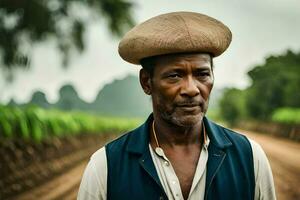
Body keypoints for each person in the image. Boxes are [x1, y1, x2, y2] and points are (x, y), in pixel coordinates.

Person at [77, 11, 276, 200]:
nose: (191, 89)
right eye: (174, 75)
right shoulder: (105, 167)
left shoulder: (250, 158)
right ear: (147, 82)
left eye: (202, 74)